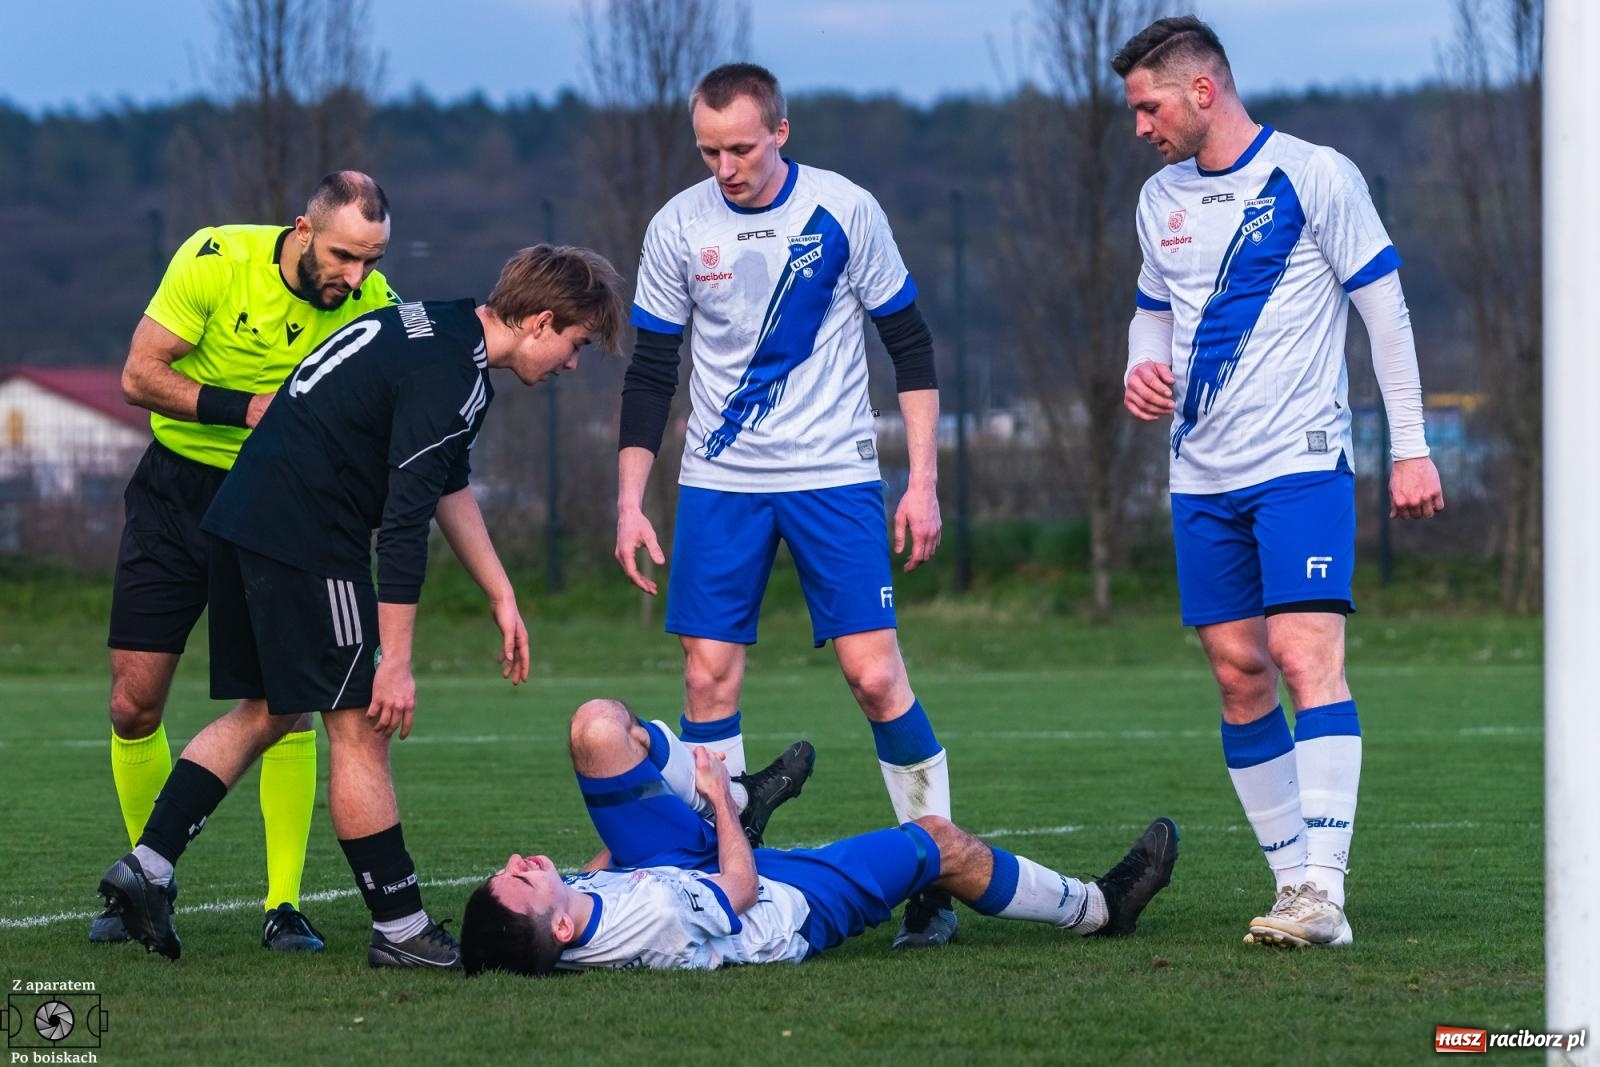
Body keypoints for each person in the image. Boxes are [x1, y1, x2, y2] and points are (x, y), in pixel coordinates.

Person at [94, 245, 629, 968]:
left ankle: (147, 867)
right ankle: (403, 929)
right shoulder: (453, 376)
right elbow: (405, 525)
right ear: (540, 321)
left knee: (269, 711)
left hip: (244, 516)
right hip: (307, 538)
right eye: (577, 344)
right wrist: (397, 662)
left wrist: (501, 593)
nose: (572, 363)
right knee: (361, 727)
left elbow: (445, 484)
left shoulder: (436, 328)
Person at [1112, 16, 1446, 948]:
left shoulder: (1316, 173)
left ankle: (1323, 891)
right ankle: (1296, 886)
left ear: (1202, 91)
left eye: (1149, 107)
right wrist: (1140, 367)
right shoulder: (1157, 199)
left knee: (1305, 658)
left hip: (1300, 463)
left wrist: (1411, 445)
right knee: (1239, 674)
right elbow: (1151, 311)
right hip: (1200, 477)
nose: (1141, 126)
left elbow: (1386, 312)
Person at [613, 62, 958, 949]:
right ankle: (717, 875)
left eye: (740, 147)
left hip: (834, 474)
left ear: (781, 132)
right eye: (708, 149)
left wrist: (921, 482)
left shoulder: (846, 210)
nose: (724, 166)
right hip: (719, 482)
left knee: (875, 675)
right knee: (705, 676)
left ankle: (936, 873)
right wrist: (630, 499)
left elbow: (909, 346)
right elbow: (652, 372)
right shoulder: (677, 226)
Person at [99, 171, 398, 952]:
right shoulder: (215, 258)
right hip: (177, 495)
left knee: (285, 700)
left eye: (370, 260)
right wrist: (248, 409)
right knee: (133, 704)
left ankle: (284, 903)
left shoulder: (374, 305)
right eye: (342, 256)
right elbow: (139, 375)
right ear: (302, 229)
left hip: (282, 509)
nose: (355, 277)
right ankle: (146, 881)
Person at [459, 699, 1179, 975]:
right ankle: (1100, 907)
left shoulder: (571, 914)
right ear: (553, 919)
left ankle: (736, 798)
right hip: (783, 902)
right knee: (937, 842)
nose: (521, 860)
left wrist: (648, 808)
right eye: (522, 875)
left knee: (598, 727)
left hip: (675, 864)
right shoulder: (652, 920)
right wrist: (717, 806)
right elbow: (738, 890)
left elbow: (601, 875)